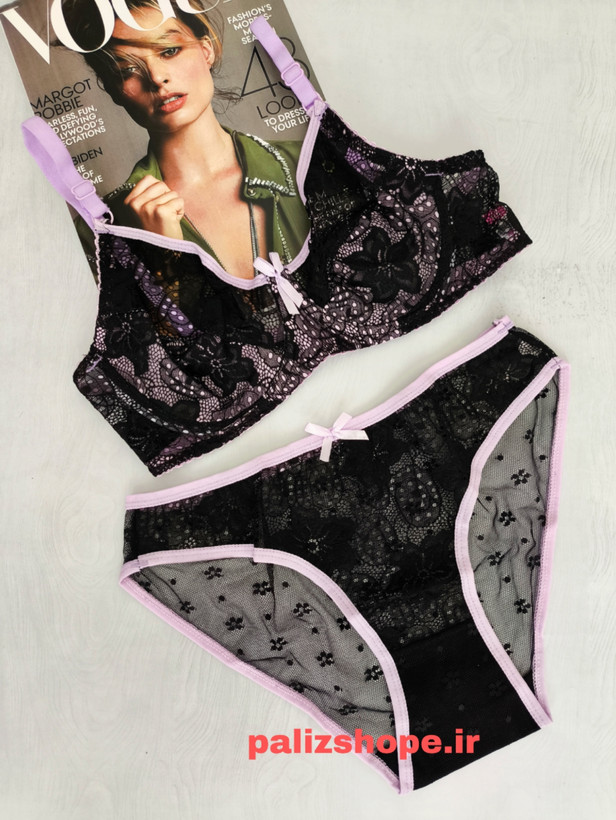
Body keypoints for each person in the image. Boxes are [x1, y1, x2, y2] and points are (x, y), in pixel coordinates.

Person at [65, 0, 310, 280]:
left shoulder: (308, 164)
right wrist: (164, 257)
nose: (157, 78)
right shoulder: (98, 234)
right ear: (112, 89)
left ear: (207, 50)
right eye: (127, 70)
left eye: (169, 51)